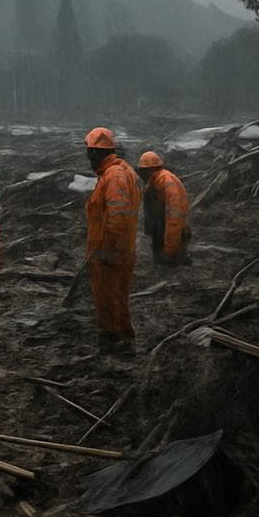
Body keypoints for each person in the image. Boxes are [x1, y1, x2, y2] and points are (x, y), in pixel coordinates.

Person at [85, 127, 141, 353]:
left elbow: (117, 216)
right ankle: (110, 337)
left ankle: (123, 340)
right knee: (108, 297)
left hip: (111, 250)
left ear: (97, 152)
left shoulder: (115, 176)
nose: (88, 157)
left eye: (89, 152)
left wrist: (108, 248)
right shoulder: (115, 172)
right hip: (110, 249)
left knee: (115, 297)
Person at [138, 151, 191, 265]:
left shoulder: (166, 181)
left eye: (143, 171)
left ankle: (176, 256)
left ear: (150, 170)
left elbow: (174, 218)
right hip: (163, 228)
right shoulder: (155, 182)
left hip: (176, 231)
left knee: (173, 261)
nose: (141, 174)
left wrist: (169, 251)